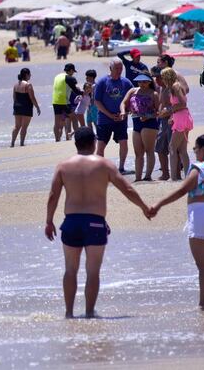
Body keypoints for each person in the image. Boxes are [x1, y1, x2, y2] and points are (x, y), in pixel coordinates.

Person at [45, 127, 152, 318]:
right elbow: (127, 189)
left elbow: (53, 195)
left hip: (71, 222)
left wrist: (49, 221)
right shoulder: (104, 165)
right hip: (95, 222)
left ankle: (69, 313)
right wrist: (144, 207)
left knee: (70, 270)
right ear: (94, 143)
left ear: (76, 143)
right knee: (92, 271)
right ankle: (89, 313)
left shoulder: (63, 166)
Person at [150, 134, 204, 311]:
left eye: (196, 149)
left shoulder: (200, 167)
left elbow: (183, 189)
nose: (195, 152)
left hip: (203, 215)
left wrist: (159, 204)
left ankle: (203, 305)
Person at [94, 58, 134, 174]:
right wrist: (110, 115)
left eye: (121, 68)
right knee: (101, 145)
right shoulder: (102, 82)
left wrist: (126, 112)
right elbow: (97, 102)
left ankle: (121, 168)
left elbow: (132, 99)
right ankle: (100, 169)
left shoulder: (126, 82)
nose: (119, 70)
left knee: (123, 142)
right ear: (110, 68)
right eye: (117, 68)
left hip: (121, 119)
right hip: (104, 119)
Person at [122, 74, 159, 181]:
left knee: (149, 150)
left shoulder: (153, 94)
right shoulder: (133, 91)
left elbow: (158, 112)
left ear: (149, 82)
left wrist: (148, 116)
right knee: (138, 153)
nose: (142, 84)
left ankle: (147, 176)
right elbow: (123, 103)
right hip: (136, 122)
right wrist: (123, 111)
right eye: (140, 82)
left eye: (144, 82)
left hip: (149, 123)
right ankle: (138, 178)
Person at [160, 67, 193, 180]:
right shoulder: (175, 86)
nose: (162, 80)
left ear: (167, 77)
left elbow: (183, 103)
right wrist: (172, 116)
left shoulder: (175, 86)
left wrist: (169, 110)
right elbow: (180, 105)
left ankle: (174, 177)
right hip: (182, 117)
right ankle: (188, 176)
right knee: (182, 150)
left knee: (172, 147)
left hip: (182, 118)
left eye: (163, 77)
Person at [11, 68, 41, 147]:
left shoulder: (16, 85)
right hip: (26, 107)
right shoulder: (28, 85)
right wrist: (37, 107)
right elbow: (32, 98)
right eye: (29, 74)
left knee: (17, 126)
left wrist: (16, 106)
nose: (30, 75)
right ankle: (21, 143)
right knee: (24, 127)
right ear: (26, 75)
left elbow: (14, 97)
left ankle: (12, 143)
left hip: (17, 107)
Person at [152, 66, 171, 181]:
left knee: (173, 149)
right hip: (162, 121)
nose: (157, 80)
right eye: (156, 78)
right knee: (159, 148)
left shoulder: (171, 88)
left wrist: (166, 111)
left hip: (171, 121)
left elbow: (179, 104)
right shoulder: (160, 88)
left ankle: (176, 173)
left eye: (159, 78)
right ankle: (165, 173)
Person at [84, 70, 98, 134]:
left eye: (87, 77)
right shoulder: (88, 85)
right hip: (89, 106)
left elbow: (94, 97)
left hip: (94, 106)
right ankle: (91, 136)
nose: (86, 78)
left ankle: (99, 135)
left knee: (95, 122)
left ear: (92, 77)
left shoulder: (95, 86)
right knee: (88, 122)